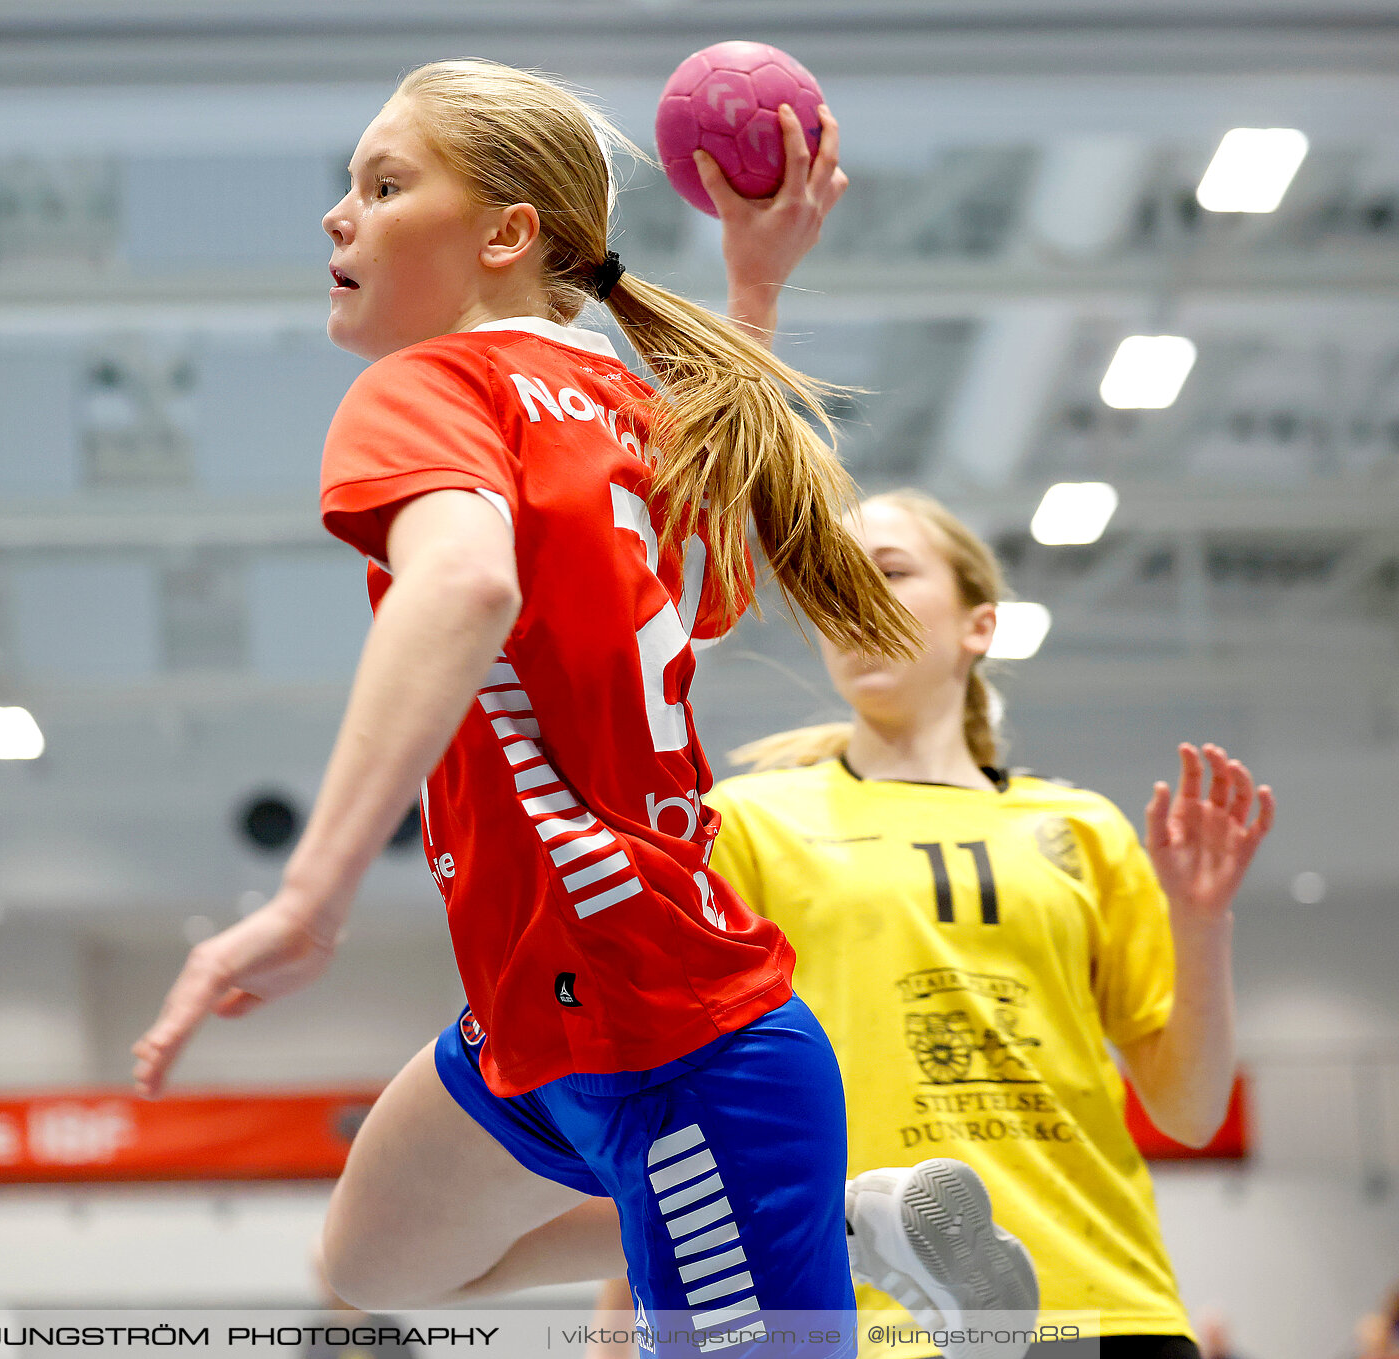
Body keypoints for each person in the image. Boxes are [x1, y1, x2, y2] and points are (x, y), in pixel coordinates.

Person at [131, 58, 1022, 1357]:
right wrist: (753, 292)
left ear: (507, 235)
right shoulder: (623, 410)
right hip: (555, 1017)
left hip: (666, 1038)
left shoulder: (428, 388)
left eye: (383, 184)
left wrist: (306, 898)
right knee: (374, 1263)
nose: (340, 215)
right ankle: (836, 1226)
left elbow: (466, 580)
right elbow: (709, 535)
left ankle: (797, 1222)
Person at [630, 486, 1273, 1359]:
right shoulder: (744, 825)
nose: (855, 599)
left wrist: (1200, 924)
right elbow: (677, 1105)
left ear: (980, 626)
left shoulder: (1083, 828)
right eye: (833, 583)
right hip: (874, 1319)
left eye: (890, 571)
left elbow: (1190, 1111)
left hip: (1105, 1308)